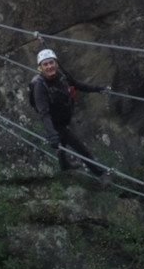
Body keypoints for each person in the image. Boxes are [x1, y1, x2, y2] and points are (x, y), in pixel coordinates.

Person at [30, 48, 109, 179]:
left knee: (63, 143)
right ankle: (100, 174)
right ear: (40, 68)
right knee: (80, 147)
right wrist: (52, 134)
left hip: (64, 116)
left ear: (56, 63)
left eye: (51, 62)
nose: (49, 66)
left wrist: (98, 89)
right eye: (46, 64)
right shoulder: (40, 87)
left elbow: (77, 84)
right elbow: (44, 113)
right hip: (55, 122)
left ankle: (64, 165)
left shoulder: (62, 75)